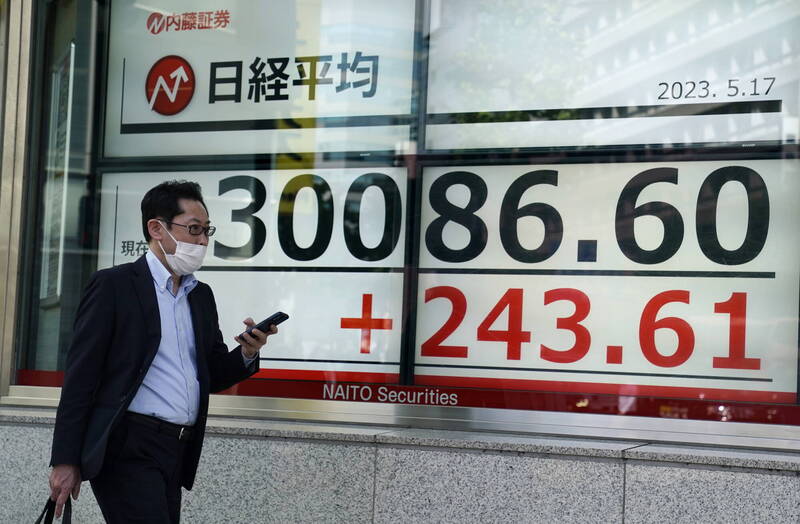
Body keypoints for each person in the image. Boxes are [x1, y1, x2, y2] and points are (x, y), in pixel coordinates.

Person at [47, 180, 277, 522]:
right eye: (194, 229)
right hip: (127, 446)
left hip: (177, 449)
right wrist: (65, 460)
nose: (203, 241)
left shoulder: (200, 296)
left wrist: (246, 352)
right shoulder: (114, 286)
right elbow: (81, 377)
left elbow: (212, 374)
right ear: (157, 228)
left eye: (207, 230)